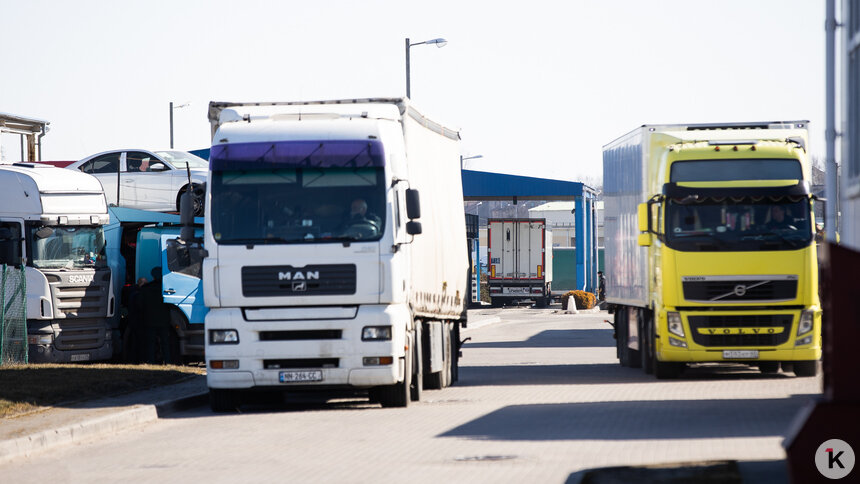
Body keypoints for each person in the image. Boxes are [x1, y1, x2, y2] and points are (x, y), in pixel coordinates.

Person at [140, 267, 173, 364]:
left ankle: (151, 361)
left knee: (151, 343)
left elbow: (141, 305)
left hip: (150, 320)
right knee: (165, 343)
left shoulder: (146, 289)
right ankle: (167, 361)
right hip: (164, 320)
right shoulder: (166, 289)